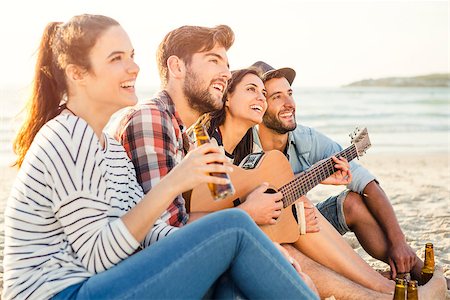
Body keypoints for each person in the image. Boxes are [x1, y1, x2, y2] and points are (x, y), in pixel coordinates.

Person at [2, 15, 320, 300]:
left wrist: (259, 250)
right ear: (78, 74)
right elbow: (98, 256)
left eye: (132, 57)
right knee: (234, 225)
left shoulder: (109, 149)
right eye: (116, 59)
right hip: (63, 292)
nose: (134, 68)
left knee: (237, 269)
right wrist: (174, 184)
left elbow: (150, 231)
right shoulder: (67, 136)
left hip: (101, 284)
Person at [197, 67, 447, 299]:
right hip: (239, 239)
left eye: (265, 93)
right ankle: (385, 290)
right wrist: (286, 203)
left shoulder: (296, 138)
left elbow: (365, 181)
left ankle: (396, 280)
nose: (284, 103)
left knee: (319, 208)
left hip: (268, 225)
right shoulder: (210, 142)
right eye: (264, 94)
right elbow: (209, 210)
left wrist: (399, 242)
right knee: (296, 221)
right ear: (227, 98)